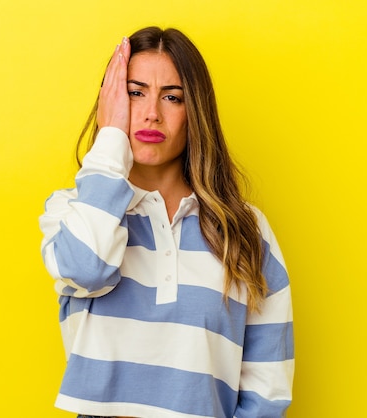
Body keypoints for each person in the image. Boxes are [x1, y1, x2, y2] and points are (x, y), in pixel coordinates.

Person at [39, 26, 294, 418]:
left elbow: (268, 385)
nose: (151, 113)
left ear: (195, 112)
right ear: (111, 102)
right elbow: (86, 269)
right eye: (134, 93)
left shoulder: (245, 231)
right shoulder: (74, 212)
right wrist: (110, 140)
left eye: (172, 97)